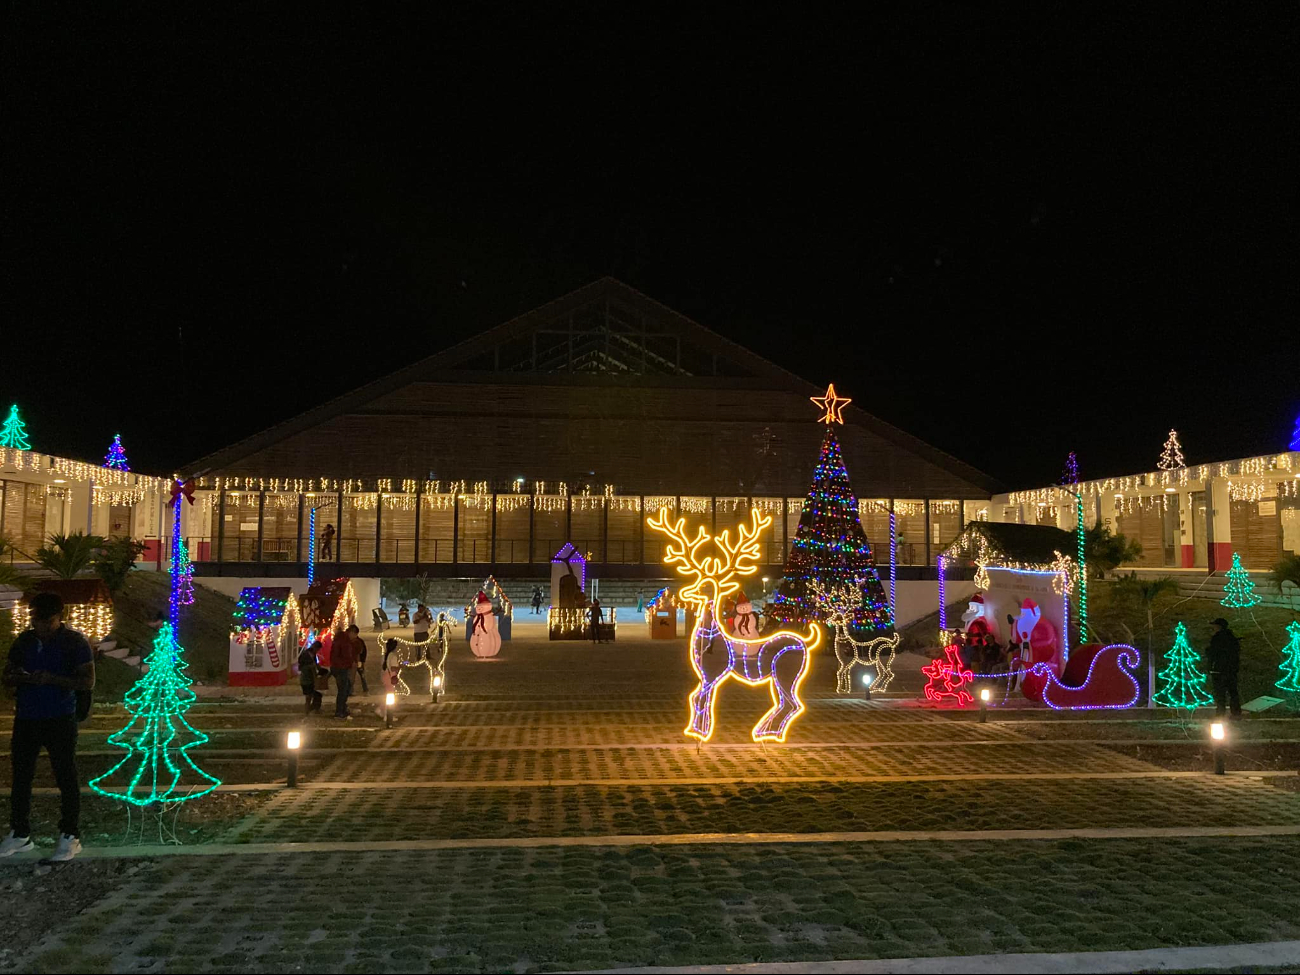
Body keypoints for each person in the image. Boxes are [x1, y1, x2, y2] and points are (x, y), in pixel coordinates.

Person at [1, 592, 95, 862]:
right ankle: (20, 833)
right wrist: (17, 677)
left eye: (45, 620)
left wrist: (52, 679)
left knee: (65, 774)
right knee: (20, 776)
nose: (39, 625)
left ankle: (70, 834)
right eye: (35, 619)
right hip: (28, 716)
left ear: (58, 618)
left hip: (59, 716)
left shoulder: (74, 643)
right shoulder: (25, 641)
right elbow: (7, 674)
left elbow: (87, 681)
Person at [1207, 617, 1242, 719]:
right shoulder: (1232, 638)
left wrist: (1209, 666)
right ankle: (1236, 713)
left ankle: (1220, 713)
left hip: (1219, 670)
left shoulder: (1217, 638)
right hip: (1231, 670)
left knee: (1220, 693)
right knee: (1233, 692)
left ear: (1218, 626)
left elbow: (1213, 654)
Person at [329, 626, 357, 719]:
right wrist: (350, 663)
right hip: (341, 667)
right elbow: (346, 655)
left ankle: (342, 709)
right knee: (343, 690)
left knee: (344, 688)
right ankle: (340, 711)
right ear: (352, 632)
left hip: (338, 667)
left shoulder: (340, 639)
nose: (355, 638)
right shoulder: (344, 641)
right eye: (355, 635)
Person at [298, 641, 324, 716]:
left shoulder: (311, 654)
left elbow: (315, 665)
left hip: (308, 680)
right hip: (307, 680)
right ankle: (308, 711)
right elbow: (312, 667)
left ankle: (310, 710)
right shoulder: (307, 656)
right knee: (309, 697)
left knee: (311, 696)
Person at [350, 624, 369, 695]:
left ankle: (365, 689)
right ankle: (364, 689)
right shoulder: (354, 641)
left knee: (360, 675)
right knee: (355, 676)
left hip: (358, 661)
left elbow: (363, 652)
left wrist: (362, 661)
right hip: (355, 661)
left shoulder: (358, 642)